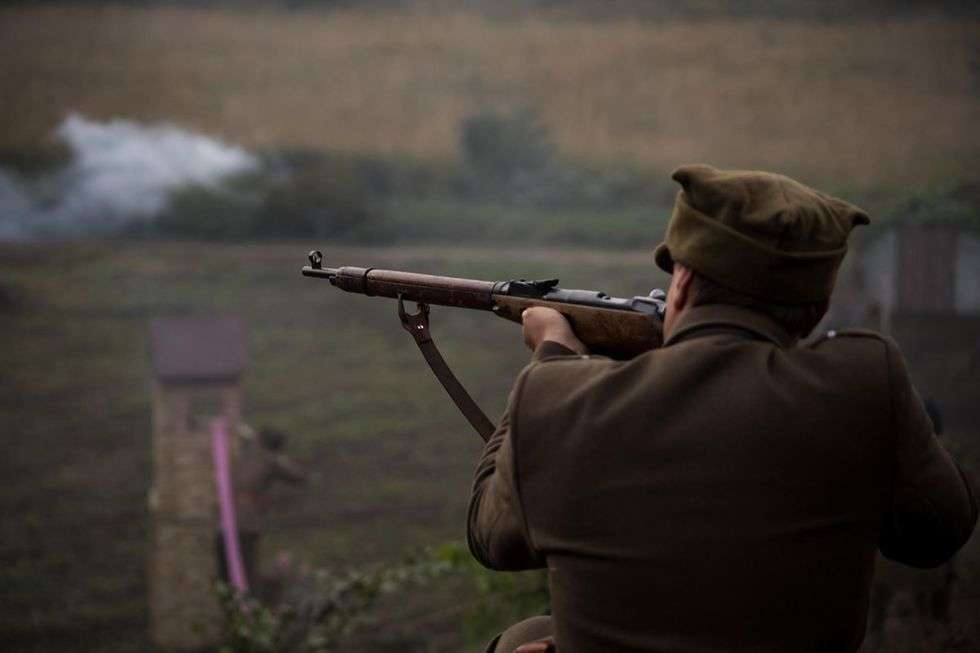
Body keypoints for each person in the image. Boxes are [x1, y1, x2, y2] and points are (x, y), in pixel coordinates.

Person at [467, 165, 977, 652]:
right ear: (818, 308)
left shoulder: (561, 396)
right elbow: (940, 532)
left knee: (521, 639)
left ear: (682, 283)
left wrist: (552, 360)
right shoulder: (866, 382)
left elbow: (494, 539)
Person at [218, 425, 306, 590]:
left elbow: (296, 475)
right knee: (239, 570)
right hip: (239, 522)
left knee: (234, 570)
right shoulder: (267, 458)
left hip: (234, 522)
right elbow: (297, 475)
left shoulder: (254, 454)